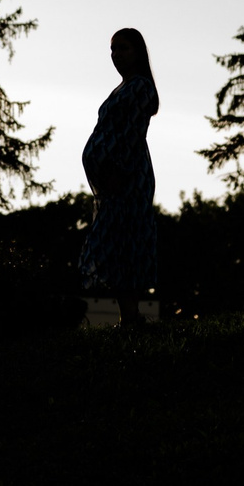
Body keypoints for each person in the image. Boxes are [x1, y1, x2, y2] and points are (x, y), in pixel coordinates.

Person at [78, 27, 159, 329]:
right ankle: (129, 316)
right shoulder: (123, 87)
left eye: (123, 48)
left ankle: (131, 317)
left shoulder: (139, 87)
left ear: (137, 52)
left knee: (127, 239)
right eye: (112, 49)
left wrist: (117, 171)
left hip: (127, 176)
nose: (116, 55)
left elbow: (131, 135)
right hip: (113, 178)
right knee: (116, 240)